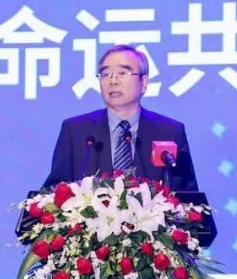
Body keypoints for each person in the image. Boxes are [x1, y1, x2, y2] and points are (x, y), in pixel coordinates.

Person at [43, 45, 199, 191]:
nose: (113, 81)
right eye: (105, 74)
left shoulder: (170, 132)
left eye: (123, 73)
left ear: (144, 82)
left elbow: (188, 196)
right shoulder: (75, 131)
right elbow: (54, 191)